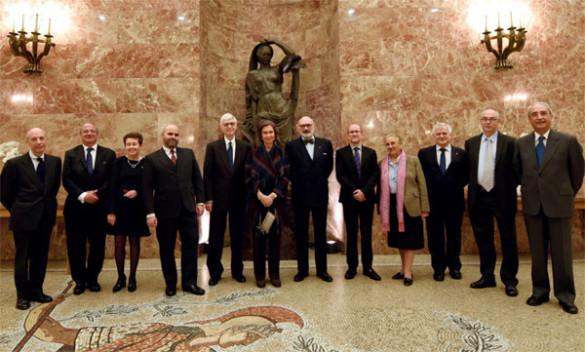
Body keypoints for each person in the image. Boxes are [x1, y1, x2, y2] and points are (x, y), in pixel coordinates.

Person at [23, 292, 303, 351]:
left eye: (250, 342)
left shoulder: (202, 348)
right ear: (236, 328)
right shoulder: (193, 333)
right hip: (117, 339)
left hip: (120, 342)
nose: (244, 344)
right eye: (248, 337)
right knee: (68, 338)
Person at [514, 102, 584, 314]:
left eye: (543, 113)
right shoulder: (521, 143)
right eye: (534, 114)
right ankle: (540, 292)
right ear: (529, 119)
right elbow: (518, 171)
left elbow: (577, 173)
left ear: (551, 116)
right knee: (537, 252)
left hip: (559, 205)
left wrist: (564, 193)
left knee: (562, 254)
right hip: (533, 205)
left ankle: (565, 296)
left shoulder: (567, 141)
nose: (539, 117)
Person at [1, 128, 61, 310]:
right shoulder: (15, 164)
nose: (39, 142)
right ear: (28, 142)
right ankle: (22, 296)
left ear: (46, 140)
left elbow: (53, 189)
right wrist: (19, 209)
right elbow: (4, 193)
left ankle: (37, 290)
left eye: (42, 138)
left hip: (45, 217)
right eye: (34, 139)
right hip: (23, 218)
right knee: (22, 257)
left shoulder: (54, 162)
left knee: (40, 257)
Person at [142, 124, 206, 297]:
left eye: (176, 134)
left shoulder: (188, 154)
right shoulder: (151, 159)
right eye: (170, 133)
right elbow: (147, 189)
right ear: (163, 135)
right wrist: (150, 213)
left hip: (188, 210)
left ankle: (189, 283)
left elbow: (197, 179)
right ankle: (170, 284)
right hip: (164, 212)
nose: (173, 137)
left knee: (191, 247)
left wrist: (200, 201)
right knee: (167, 248)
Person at [465, 109, 519, 297]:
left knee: (508, 239)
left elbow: (517, 170)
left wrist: (508, 186)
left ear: (498, 121)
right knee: (484, 239)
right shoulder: (471, 143)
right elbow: (469, 169)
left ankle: (510, 280)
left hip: (502, 197)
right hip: (479, 197)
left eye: (492, 119)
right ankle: (487, 276)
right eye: (485, 119)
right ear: (480, 121)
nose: (488, 122)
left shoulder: (511, 142)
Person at [63, 123, 116, 295]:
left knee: (97, 246)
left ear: (97, 134)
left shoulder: (109, 154)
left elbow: (111, 179)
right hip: (75, 209)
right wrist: (83, 195)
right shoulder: (70, 154)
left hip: (99, 208)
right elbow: (67, 180)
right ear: (80, 134)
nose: (89, 133)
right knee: (76, 246)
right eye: (85, 131)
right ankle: (79, 281)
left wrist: (97, 194)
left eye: (92, 131)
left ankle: (93, 279)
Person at [203, 113, 251, 286]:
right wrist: (207, 199)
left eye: (232, 123)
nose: (229, 127)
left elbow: (248, 174)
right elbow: (207, 176)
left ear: (236, 126)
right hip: (218, 199)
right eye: (226, 124)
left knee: (238, 236)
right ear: (221, 127)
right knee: (216, 236)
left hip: (239, 199)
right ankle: (215, 272)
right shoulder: (213, 147)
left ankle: (237, 271)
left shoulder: (245, 147)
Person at [285, 116, 334, 283]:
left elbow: (328, 168)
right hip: (300, 195)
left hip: (320, 194)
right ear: (297, 128)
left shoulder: (326, 143)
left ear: (314, 126)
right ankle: (302, 270)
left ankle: (322, 271)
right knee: (301, 234)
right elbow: (289, 170)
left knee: (321, 234)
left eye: (308, 125)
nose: (306, 128)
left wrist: (317, 181)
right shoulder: (291, 146)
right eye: (302, 126)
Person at [418, 122, 469, 281]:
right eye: (438, 134)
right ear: (434, 136)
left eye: (444, 133)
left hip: (455, 202)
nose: (441, 136)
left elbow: (467, 175)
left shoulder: (461, 154)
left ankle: (454, 267)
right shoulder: (424, 153)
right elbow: (421, 177)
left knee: (454, 236)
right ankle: (438, 268)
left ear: (450, 135)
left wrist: (454, 186)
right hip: (433, 204)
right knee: (435, 237)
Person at [379, 135, 429, 286]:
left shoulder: (413, 161)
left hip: (410, 205)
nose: (390, 146)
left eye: (393, 143)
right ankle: (403, 269)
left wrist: (424, 208)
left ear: (401, 144)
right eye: (387, 144)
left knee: (410, 240)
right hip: (391, 206)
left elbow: (422, 184)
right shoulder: (382, 163)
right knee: (399, 240)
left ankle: (408, 272)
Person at [245, 120, 290, 288]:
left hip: (275, 203)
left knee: (275, 240)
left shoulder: (282, 154)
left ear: (275, 134)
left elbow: (285, 178)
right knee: (258, 239)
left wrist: (272, 195)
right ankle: (259, 275)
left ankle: (274, 273)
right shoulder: (253, 154)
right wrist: (260, 195)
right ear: (260, 135)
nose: (268, 135)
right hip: (258, 203)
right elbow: (248, 178)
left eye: (271, 132)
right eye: (265, 133)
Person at [335, 124, 381, 281]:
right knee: (352, 234)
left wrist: (364, 191)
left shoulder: (371, 153)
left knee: (367, 234)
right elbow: (341, 176)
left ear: (362, 134)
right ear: (348, 135)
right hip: (349, 199)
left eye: (357, 131)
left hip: (367, 199)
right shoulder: (341, 153)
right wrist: (356, 191)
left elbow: (375, 174)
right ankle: (352, 267)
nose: (354, 134)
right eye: (351, 132)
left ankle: (368, 268)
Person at [106, 132, 151, 293]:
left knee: (134, 241)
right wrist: (110, 212)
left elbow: (148, 185)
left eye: (135, 144)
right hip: (119, 208)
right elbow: (112, 186)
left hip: (137, 209)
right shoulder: (118, 163)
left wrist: (137, 191)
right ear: (125, 146)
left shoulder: (146, 163)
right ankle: (120, 277)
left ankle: (132, 276)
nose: (131, 147)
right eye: (129, 144)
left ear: (140, 145)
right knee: (119, 241)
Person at [244, 38, 304, 148]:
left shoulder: (277, 69)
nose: (267, 56)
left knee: (285, 142)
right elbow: (253, 99)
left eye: (269, 54)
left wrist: (275, 42)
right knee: (262, 142)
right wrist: (253, 118)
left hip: (282, 108)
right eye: (264, 54)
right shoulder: (253, 74)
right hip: (263, 109)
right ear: (258, 56)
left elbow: (291, 55)